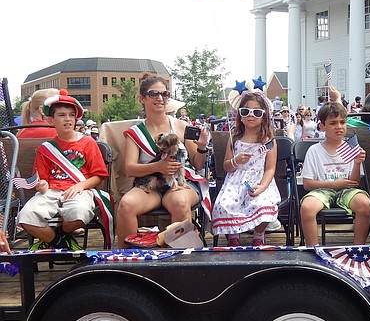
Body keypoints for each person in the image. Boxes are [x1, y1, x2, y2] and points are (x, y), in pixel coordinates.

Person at [116, 74, 211, 248]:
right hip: (150, 185)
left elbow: (197, 164)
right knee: (126, 205)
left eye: (164, 94)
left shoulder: (181, 126)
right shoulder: (135, 133)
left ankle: (179, 261)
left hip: (181, 182)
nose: (160, 98)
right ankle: (129, 260)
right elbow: (130, 169)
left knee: (180, 202)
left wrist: (202, 147)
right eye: (154, 94)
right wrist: (158, 166)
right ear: (142, 98)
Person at [17, 90, 108, 251]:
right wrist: (41, 185)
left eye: (72, 115)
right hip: (52, 191)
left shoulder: (88, 143)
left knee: (80, 214)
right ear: (51, 120)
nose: (68, 119)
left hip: (79, 189)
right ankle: (60, 240)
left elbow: (99, 175)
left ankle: (58, 234)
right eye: (62, 115)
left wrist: (80, 186)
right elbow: (41, 179)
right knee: (25, 217)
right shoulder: (45, 149)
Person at [211, 91, 280, 246]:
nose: (251, 115)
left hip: (260, 181)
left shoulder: (268, 140)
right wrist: (236, 161)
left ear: (264, 116)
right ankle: (233, 235)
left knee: (264, 204)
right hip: (236, 182)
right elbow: (226, 166)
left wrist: (262, 187)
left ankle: (259, 234)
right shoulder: (234, 138)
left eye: (256, 112)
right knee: (224, 204)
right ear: (240, 115)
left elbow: (270, 169)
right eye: (245, 111)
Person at [300, 102, 370, 246]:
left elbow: (355, 182)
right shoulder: (314, 150)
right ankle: (313, 250)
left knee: (364, 204)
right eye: (333, 123)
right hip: (322, 190)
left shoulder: (352, 148)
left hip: (347, 190)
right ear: (322, 127)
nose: (339, 127)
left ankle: (358, 249)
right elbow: (307, 184)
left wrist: (357, 163)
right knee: (306, 207)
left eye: (342, 122)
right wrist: (333, 184)